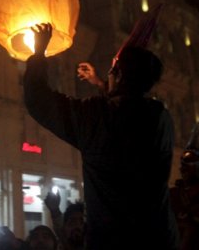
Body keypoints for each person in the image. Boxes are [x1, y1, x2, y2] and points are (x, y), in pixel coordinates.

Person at [23, 23, 178, 250]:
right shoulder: (161, 117)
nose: (108, 74)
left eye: (112, 71)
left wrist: (38, 53)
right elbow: (129, 110)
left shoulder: (97, 116)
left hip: (113, 239)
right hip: (159, 235)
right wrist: (102, 84)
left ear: (120, 75)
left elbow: (39, 101)